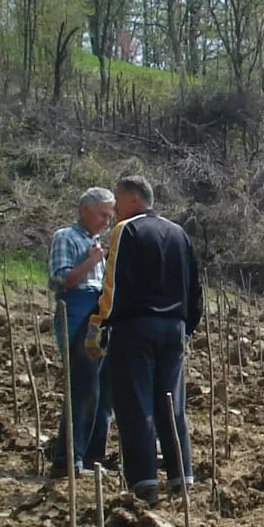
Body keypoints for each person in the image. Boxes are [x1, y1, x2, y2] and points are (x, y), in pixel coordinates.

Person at [91, 174, 202, 504]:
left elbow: (113, 284)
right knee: (171, 404)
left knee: (136, 404)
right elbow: (195, 287)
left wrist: (98, 324)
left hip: (135, 328)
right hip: (174, 329)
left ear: (135, 199)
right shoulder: (179, 233)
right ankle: (182, 476)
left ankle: (144, 481)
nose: (115, 208)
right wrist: (187, 326)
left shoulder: (127, 231)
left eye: (118, 199)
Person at [48, 187, 116, 475]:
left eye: (110, 216)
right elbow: (60, 281)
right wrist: (91, 261)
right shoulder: (66, 237)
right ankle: (68, 459)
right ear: (84, 210)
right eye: (102, 214)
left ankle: (91, 458)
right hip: (77, 317)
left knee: (101, 390)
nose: (107, 221)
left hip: (98, 319)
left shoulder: (96, 242)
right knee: (83, 387)